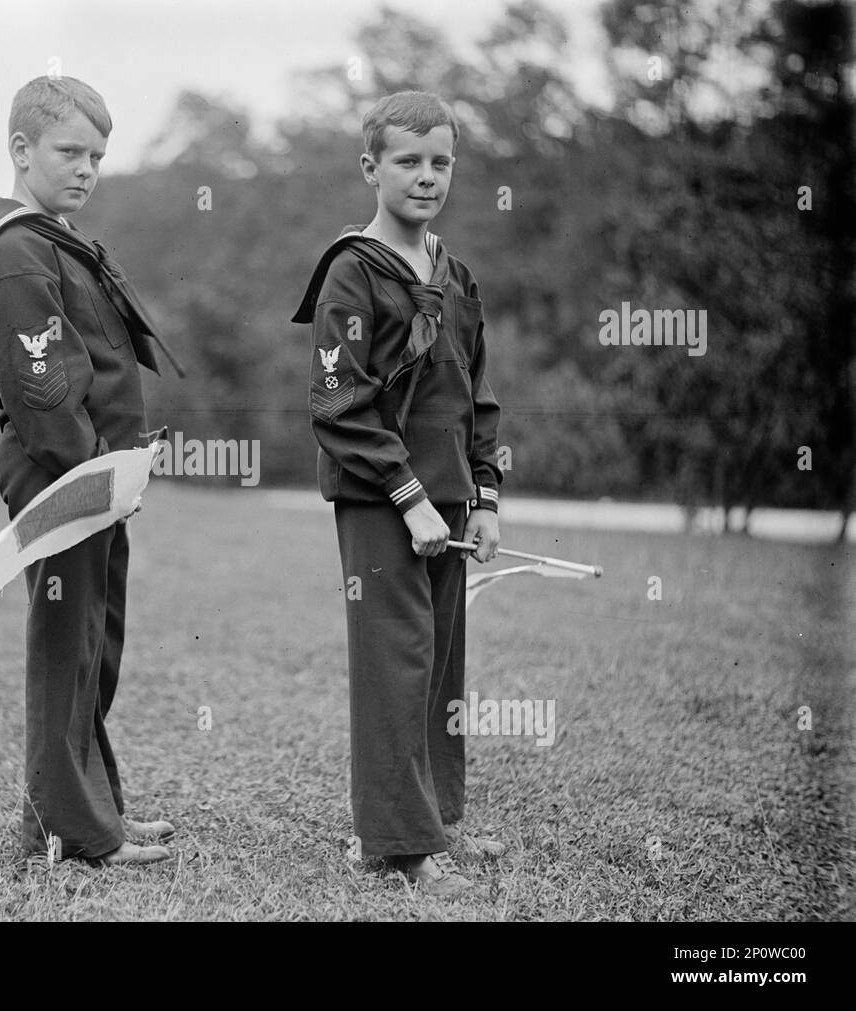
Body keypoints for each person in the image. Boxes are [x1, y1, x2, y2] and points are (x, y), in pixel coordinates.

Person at [0, 76, 180, 866]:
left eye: (98, 155)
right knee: (66, 647)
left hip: (99, 477)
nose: (87, 168)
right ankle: (69, 829)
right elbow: (43, 389)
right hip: (66, 477)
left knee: (93, 644)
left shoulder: (52, 236)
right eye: (70, 152)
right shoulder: (17, 252)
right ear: (21, 151)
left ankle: (96, 809)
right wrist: (100, 478)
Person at [291, 91, 506, 895]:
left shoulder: (454, 272)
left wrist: (484, 495)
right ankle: (399, 845)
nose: (426, 177)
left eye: (440, 162)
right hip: (383, 498)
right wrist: (409, 496)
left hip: (447, 494)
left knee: (441, 661)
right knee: (396, 661)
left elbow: (478, 392)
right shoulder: (352, 271)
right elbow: (336, 403)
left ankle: (435, 819)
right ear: (370, 167)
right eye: (408, 161)